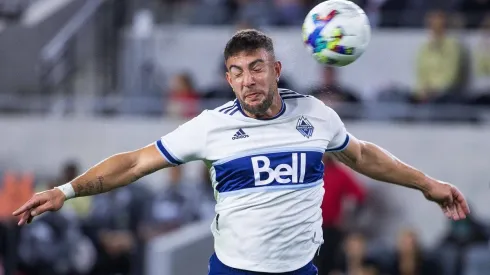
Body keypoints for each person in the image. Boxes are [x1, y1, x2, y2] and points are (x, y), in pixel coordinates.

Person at [12, 29, 470, 275]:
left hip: (299, 271)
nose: (248, 80)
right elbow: (134, 163)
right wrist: (67, 191)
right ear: (228, 79)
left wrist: (428, 184)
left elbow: (365, 156)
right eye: (236, 72)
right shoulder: (212, 126)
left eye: (256, 68)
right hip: (235, 273)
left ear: (276, 69)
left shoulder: (314, 114)